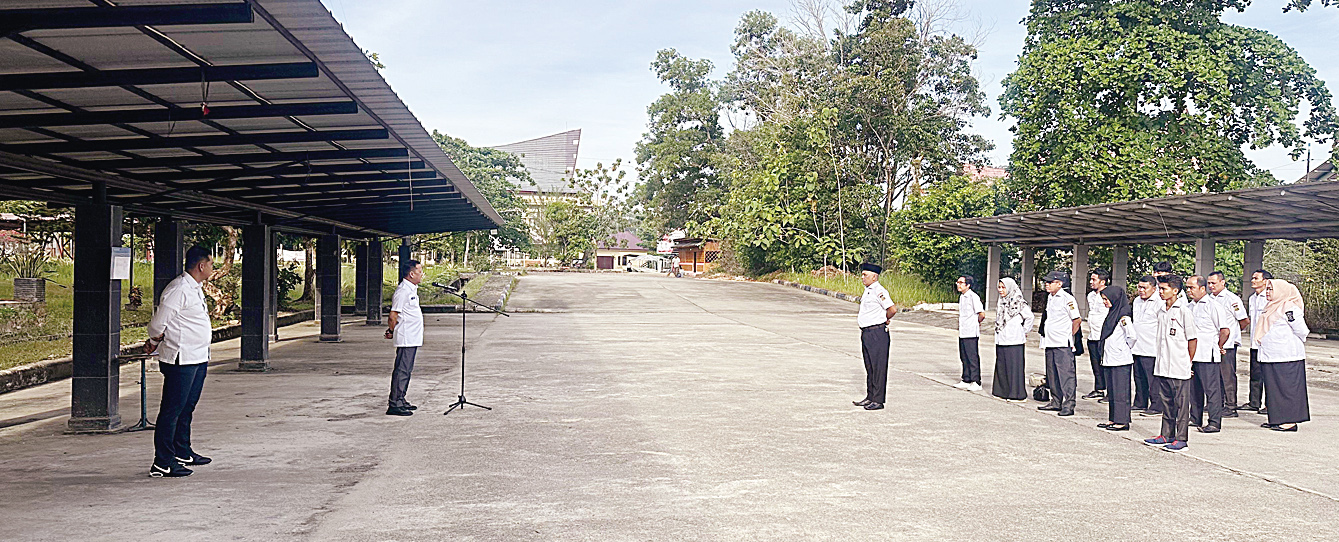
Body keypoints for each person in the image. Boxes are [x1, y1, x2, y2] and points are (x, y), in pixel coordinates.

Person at [144, 245, 215, 478]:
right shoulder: (178, 289)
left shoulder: (195, 288)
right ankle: (162, 462)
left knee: (187, 407)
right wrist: (153, 341)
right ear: (201, 266)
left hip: (198, 356)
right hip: (181, 358)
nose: (212, 268)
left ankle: (182, 451)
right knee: (172, 410)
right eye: (211, 264)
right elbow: (158, 324)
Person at [1145, 274, 1197, 452]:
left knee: (1181, 404)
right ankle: (1166, 434)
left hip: (1178, 364)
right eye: (1159, 288)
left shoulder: (1183, 311)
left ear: (1175, 291)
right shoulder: (1161, 310)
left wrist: (1188, 361)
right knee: (1166, 402)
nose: (1160, 292)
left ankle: (1181, 439)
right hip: (1163, 363)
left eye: (1164, 289)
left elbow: (1192, 339)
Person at [1255, 279, 1310, 432]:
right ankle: (1276, 419)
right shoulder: (1270, 307)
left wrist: (1284, 342)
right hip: (1270, 356)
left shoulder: (1289, 308)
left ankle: (1289, 422)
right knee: (1274, 389)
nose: (1267, 292)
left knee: (1287, 390)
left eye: (1271, 289)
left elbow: (1302, 331)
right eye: (1267, 289)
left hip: (1287, 356)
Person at [1186, 275, 1230, 433]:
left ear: (1202, 288)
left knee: (1212, 390)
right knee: (1194, 390)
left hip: (1208, 354)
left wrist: (1219, 346)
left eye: (1192, 287)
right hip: (1193, 354)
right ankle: (1195, 417)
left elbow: (1224, 330)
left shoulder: (1213, 306)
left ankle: (1214, 422)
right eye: (1187, 288)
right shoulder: (1189, 307)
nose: (1189, 291)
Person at [853, 263, 897, 411]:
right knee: (870, 366)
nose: (862, 277)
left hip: (877, 333)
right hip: (867, 332)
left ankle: (878, 400)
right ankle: (870, 396)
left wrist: (885, 319)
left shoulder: (879, 291)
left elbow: (892, 309)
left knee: (878, 367)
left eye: (865, 275)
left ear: (874, 277)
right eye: (862, 274)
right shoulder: (867, 291)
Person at [1037, 271, 1082, 417]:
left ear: (1059, 284)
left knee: (1066, 375)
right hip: (1050, 342)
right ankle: (1056, 401)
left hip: (1062, 343)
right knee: (1052, 374)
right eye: (1046, 282)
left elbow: (1077, 320)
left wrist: (1069, 335)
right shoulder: (1050, 298)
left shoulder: (1067, 299)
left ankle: (1069, 404)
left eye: (1050, 282)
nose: (1047, 284)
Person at [385, 260, 425, 416]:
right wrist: (391, 330)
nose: (422, 274)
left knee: (407, 371)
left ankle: (401, 399)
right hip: (406, 337)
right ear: (412, 274)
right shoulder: (403, 291)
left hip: (413, 337)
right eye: (420, 271)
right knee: (402, 371)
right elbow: (393, 315)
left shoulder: (411, 289)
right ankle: (394, 403)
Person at [1206, 271, 1249, 417]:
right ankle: (1217, 403)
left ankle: (1231, 406)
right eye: (1209, 283)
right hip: (1213, 343)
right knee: (1214, 375)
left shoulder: (1232, 299)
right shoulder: (1209, 299)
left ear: (1222, 282)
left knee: (1227, 376)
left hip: (1227, 344)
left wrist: (1234, 334)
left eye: (1214, 283)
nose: (1211, 286)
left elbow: (1244, 320)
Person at [1097, 285, 1136, 431]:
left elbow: (1132, 337)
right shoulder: (1112, 314)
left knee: (1121, 392)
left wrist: (1123, 349)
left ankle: (1122, 421)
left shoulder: (1123, 317)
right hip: (1110, 359)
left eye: (1106, 299)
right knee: (1112, 391)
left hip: (1121, 359)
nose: (1104, 302)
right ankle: (1113, 418)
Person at [992, 278, 1034, 402]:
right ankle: (1002, 391)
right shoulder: (1001, 301)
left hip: (1015, 340)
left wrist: (1023, 331)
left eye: (1003, 287)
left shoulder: (1019, 302)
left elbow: (1030, 317)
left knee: (1014, 368)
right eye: (999, 287)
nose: (1000, 290)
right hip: (1001, 339)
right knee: (1002, 366)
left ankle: (1017, 394)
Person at [1240, 269, 1273, 414]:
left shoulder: (1270, 298)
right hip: (1255, 343)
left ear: (1265, 281)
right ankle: (1254, 402)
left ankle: (1270, 405)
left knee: (1269, 376)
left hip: (1267, 343)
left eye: (1256, 278)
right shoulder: (1252, 298)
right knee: (1255, 374)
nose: (1252, 281)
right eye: (1252, 278)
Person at [1131, 276, 1163, 417]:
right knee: (1139, 377)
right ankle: (1140, 402)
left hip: (1151, 347)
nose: (1141, 290)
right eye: (1139, 287)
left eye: (1145, 288)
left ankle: (1156, 405)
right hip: (1137, 346)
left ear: (1154, 288)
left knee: (1153, 380)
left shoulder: (1159, 302)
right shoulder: (1137, 301)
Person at [954, 275, 986, 392]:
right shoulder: (962, 297)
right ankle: (966, 379)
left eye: (961, 282)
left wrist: (976, 323)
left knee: (972, 357)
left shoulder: (973, 297)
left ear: (968, 285)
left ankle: (976, 381)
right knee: (964, 356)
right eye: (957, 282)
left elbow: (981, 314)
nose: (958, 284)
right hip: (963, 331)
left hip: (971, 332)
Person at [1084, 269, 1111, 400]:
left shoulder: (1109, 294)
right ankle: (1099, 388)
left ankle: (1110, 391)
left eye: (1094, 279)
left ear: (1102, 282)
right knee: (1095, 364)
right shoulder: (1091, 296)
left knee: (1107, 365)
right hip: (1093, 335)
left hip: (1104, 336)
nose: (1091, 282)